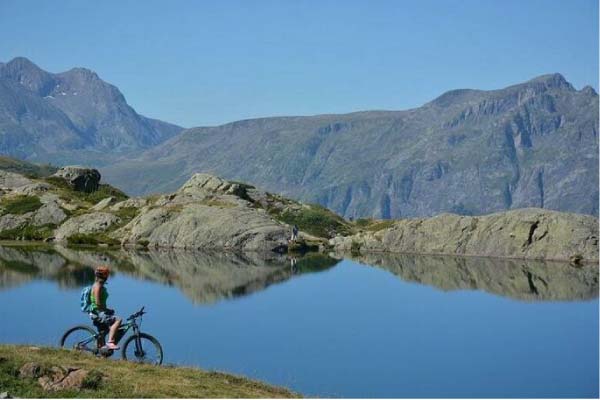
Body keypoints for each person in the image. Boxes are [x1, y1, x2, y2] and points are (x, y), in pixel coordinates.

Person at [91, 266, 122, 350]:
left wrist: (107, 310)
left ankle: (101, 351)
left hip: (98, 312)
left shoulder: (99, 285)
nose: (107, 277)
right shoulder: (98, 286)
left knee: (103, 332)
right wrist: (106, 310)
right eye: (106, 275)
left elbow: (99, 304)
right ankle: (110, 342)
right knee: (118, 320)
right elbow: (97, 303)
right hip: (98, 313)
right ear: (104, 276)